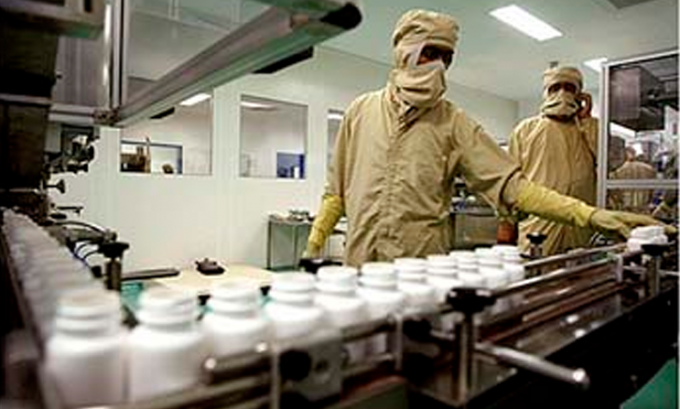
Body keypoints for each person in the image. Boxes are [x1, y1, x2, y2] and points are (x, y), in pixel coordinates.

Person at [305, 9, 672, 267]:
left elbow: (515, 188)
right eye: (430, 53)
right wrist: (315, 243)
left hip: (418, 273)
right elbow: (336, 192)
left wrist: (593, 216)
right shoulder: (361, 112)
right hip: (358, 269)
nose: (438, 65)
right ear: (404, 50)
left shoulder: (454, 124)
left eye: (446, 58)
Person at [498, 66, 598, 255]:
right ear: (546, 93)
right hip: (539, 227)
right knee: (538, 269)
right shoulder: (526, 130)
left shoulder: (588, 129)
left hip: (580, 227)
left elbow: (611, 164)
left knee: (580, 271)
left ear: (579, 94)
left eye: (569, 88)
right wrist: (506, 225)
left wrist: (587, 119)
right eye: (555, 88)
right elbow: (509, 181)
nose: (562, 93)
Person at [610, 147, 657, 213]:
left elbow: (616, 194)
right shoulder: (649, 169)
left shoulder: (618, 171)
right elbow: (652, 191)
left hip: (626, 211)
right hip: (644, 210)